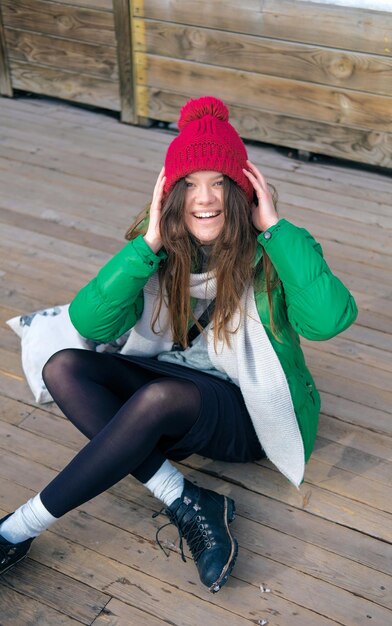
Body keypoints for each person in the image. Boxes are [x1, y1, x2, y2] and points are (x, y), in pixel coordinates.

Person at [0, 96, 357, 593]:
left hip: (244, 410)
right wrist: (145, 246)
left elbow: (328, 321)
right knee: (62, 367)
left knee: (158, 396)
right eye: (188, 184)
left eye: (217, 183)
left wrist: (273, 228)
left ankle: (15, 529)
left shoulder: (276, 248)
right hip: (171, 387)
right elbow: (92, 322)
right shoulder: (156, 244)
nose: (204, 198)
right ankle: (184, 497)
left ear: (240, 189)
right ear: (169, 192)